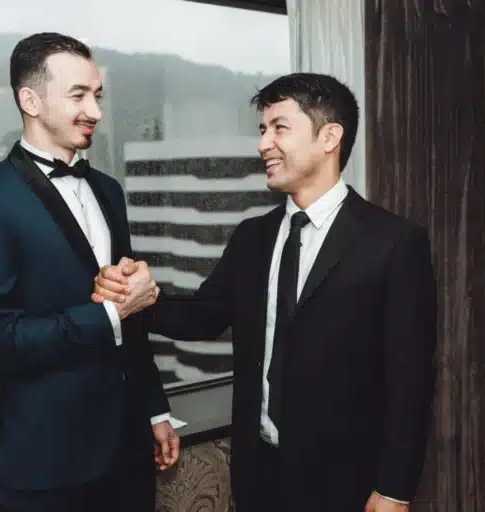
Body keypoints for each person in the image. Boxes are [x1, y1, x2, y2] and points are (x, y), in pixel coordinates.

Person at [93, 72, 437, 512]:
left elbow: (410, 382)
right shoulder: (253, 236)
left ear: (329, 136)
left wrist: (393, 489)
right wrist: (141, 297)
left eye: (279, 128)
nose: (263, 145)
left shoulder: (394, 242)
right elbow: (204, 315)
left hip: (348, 481)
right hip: (259, 474)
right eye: (262, 130)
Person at [0, 32, 178, 512]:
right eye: (79, 95)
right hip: (49, 470)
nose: (95, 111)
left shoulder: (109, 191)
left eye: (97, 96)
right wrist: (108, 314)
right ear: (29, 100)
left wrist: (155, 408)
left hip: (131, 453)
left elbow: (130, 323)